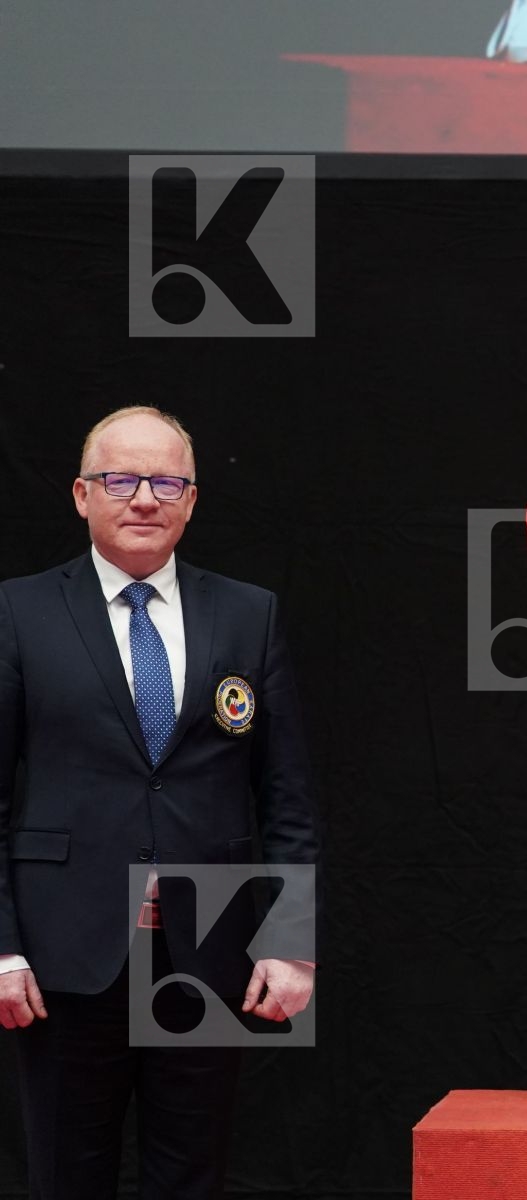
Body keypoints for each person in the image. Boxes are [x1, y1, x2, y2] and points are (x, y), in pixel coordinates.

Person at [0, 406, 320, 1199]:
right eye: (121, 479)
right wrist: (2, 946)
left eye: (167, 481)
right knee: (67, 1177)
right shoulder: (18, 612)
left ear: (192, 499)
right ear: (82, 495)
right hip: (62, 952)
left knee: (193, 1175)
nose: (145, 497)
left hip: (208, 945)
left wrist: (292, 941)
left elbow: (287, 796)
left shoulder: (249, 613)